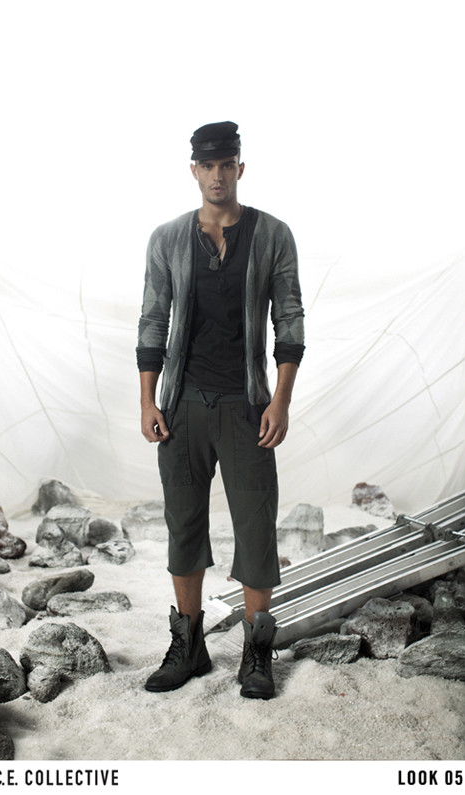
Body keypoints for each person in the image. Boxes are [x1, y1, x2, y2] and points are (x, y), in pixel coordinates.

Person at [136, 121, 305, 699]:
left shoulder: (273, 234)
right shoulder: (167, 238)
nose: (216, 175)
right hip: (182, 405)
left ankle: (257, 652)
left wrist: (280, 399)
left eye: (225, 164)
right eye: (206, 165)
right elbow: (153, 317)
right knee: (183, 525)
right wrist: (148, 398)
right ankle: (189, 645)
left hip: (246, 404)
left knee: (255, 528)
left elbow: (289, 318)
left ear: (240, 168)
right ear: (194, 171)